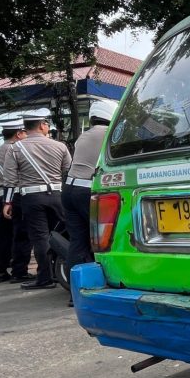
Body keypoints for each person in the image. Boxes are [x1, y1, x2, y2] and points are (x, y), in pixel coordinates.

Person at [2, 109, 71, 290]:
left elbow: (10, 179)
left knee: (40, 238)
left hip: (31, 198)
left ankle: (45, 278)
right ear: (41, 125)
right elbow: (68, 171)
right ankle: (63, 272)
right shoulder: (60, 146)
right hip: (57, 195)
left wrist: (8, 203)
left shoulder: (16, 148)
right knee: (63, 234)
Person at [63, 100, 116, 306]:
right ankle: (108, 286)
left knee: (78, 242)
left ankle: (74, 294)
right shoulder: (110, 134)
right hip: (87, 191)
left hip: (69, 190)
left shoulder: (82, 137)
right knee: (102, 239)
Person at [0, 118, 34, 283]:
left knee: (2, 236)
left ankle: (1, 270)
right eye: (25, 132)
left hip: (0, 196)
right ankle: (19, 270)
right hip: (13, 196)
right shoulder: (16, 150)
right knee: (21, 235)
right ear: (18, 134)